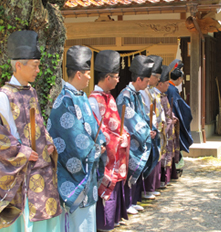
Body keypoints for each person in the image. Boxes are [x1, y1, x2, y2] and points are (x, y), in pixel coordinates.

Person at [0, 30, 61, 231]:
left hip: (42, 169)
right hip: (21, 172)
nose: (38, 70)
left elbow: (39, 126)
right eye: (34, 66)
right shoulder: (4, 96)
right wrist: (23, 152)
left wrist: (49, 142)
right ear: (19, 65)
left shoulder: (32, 92)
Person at [48, 45, 107, 232]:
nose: (90, 77)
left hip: (87, 169)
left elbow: (92, 126)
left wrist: (101, 142)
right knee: (77, 223)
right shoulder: (65, 100)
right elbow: (73, 138)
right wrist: (95, 150)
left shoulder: (79, 96)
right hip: (73, 174)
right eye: (88, 73)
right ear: (79, 74)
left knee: (87, 220)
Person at [88, 50, 130, 231]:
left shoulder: (110, 97)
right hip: (105, 154)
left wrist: (124, 135)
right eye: (116, 76)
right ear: (107, 77)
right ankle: (102, 223)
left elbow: (117, 124)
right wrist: (115, 139)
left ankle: (112, 219)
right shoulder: (93, 100)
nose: (118, 80)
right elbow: (96, 129)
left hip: (116, 152)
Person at [115, 55, 159, 215]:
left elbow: (142, 116)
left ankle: (133, 201)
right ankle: (127, 204)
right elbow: (129, 120)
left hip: (138, 138)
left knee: (136, 173)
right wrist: (146, 132)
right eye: (146, 81)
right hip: (130, 140)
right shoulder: (125, 96)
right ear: (139, 79)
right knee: (128, 173)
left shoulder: (137, 95)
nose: (148, 84)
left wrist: (151, 128)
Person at [140, 55, 163, 200]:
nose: (158, 80)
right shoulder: (143, 91)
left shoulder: (153, 91)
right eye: (156, 77)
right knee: (147, 160)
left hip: (155, 128)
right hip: (148, 129)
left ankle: (151, 187)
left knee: (155, 157)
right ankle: (146, 189)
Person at [166, 59, 193, 178]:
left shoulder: (168, 87)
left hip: (167, 120)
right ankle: (175, 169)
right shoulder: (172, 89)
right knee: (174, 145)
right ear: (179, 79)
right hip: (172, 121)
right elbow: (180, 108)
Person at [155, 63, 180, 188]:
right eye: (166, 83)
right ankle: (160, 181)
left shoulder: (163, 96)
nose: (168, 86)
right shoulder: (156, 97)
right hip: (162, 129)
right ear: (160, 84)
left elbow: (168, 111)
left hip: (168, 129)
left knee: (168, 152)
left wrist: (173, 117)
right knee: (162, 154)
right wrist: (168, 121)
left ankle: (166, 179)